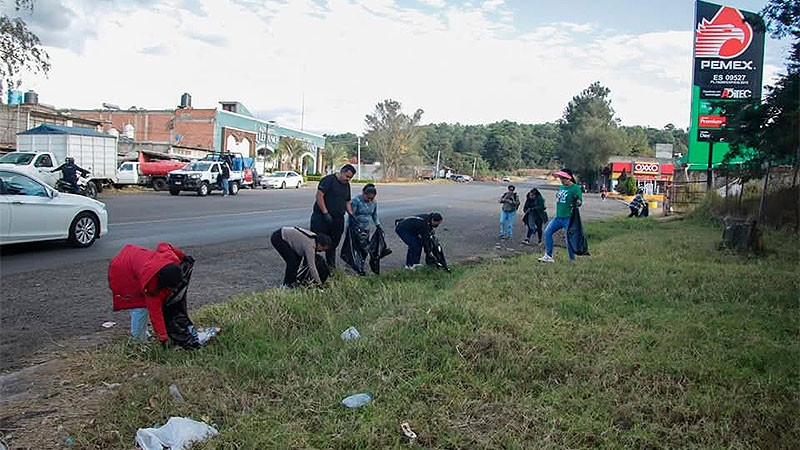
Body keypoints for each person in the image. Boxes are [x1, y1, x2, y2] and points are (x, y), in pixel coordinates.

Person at [109, 243, 188, 343]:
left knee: (142, 305)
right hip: (123, 269)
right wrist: (162, 337)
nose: (175, 290)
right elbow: (155, 313)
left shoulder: (172, 259)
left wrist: (183, 256)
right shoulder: (151, 287)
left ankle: (142, 330)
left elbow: (163, 245)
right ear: (163, 283)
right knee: (139, 305)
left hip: (135, 256)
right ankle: (137, 340)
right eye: (172, 288)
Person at [311, 164, 355, 268]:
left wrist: (351, 214)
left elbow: (347, 201)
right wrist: (325, 212)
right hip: (322, 218)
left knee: (332, 244)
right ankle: (311, 267)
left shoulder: (346, 185)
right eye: (347, 176)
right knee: (316, 243)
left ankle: (330, 267)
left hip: (337, 219)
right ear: (342, 172)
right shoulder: (328, 180)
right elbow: (319, 196)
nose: (348, 179)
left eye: (350, 178)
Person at [539, 169, 582, 263]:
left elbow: (580, 202)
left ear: (569, 178)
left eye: (563, 178)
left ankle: (572, 259)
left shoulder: (575, 188)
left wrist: (577, 201)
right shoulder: (562, 187)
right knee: (547, 232)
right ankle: (548, 255)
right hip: (559, 217)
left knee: (568, 238)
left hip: (569, 217)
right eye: (560, 178)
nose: (561, 180)